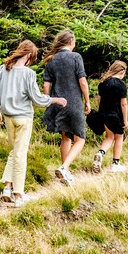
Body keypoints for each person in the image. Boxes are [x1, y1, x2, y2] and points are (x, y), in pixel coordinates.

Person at [0, 40, 67, 207]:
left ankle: (7, 188)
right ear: (30, 55)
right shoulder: (28, 74)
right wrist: (55, 100)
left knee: (14, 152)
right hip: (23, 118)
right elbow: (37, 98)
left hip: (8, 116)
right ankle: (19, 195)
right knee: (20, 154)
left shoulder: (2, 69)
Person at [41, 29, 90, 185]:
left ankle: (65, 173)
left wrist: (49, 102)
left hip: (58, 103)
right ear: (71, 42)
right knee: (80, 138)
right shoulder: (76, 57)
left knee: (65, 137)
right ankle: (64, 168)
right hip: (74, 102)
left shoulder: (52, 60)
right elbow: (82, 81)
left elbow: (46, 86)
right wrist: (87, 101)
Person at [90, 61, 128, 173]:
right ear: (122, 71)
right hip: (116, 116)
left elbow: (99, 100)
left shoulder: (103, 83)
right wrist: (125, 120)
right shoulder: (121, 85)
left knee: (109, 137)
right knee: (119, 138)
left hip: (104, 114)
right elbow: (124, 104)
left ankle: (100, 153)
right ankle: (115, 164)